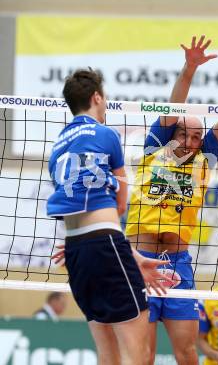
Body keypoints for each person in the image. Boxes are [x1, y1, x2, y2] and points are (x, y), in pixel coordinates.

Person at [125, 35, 218, 365]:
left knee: (187, 351)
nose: (192, 140)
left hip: (178, 265)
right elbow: (173, 105)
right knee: (142, 354)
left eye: (197, 135)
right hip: (140, 259)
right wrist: (190, 68)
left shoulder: (203, 161)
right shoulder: (154, 150)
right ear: (172, 134)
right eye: (185, 133)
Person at [47, 68, 171, 365]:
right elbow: (120, 203)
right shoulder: (105, 134)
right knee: (137, 355)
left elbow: (88, 217)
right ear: (96, 97)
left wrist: (132, 256)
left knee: (108, 354)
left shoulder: (57, 147)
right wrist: (121, 248)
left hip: (75, 251)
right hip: (106, 245)